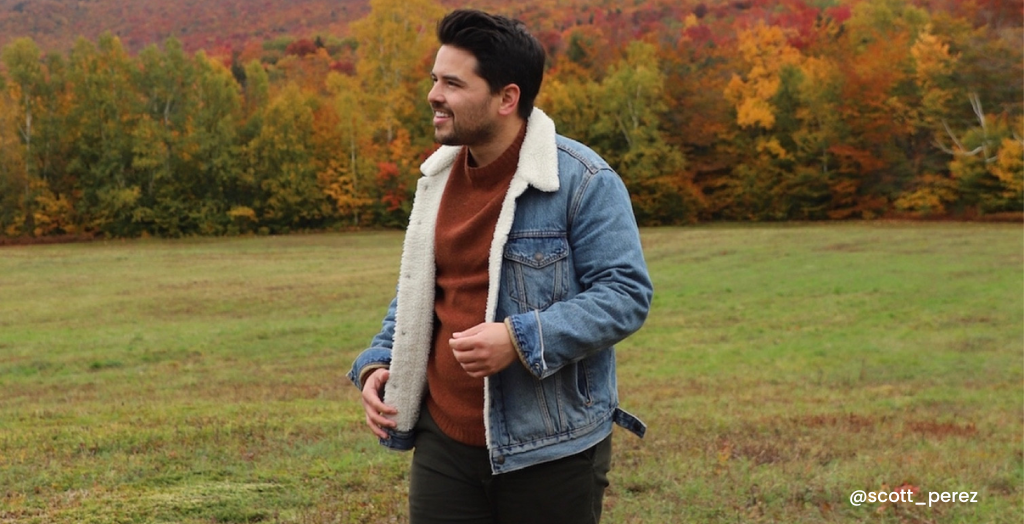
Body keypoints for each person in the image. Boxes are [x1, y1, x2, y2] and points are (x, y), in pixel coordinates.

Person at [347, 9, 653, 524]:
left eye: (452, 83)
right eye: (433, 80)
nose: (433, 95)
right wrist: (381, 360)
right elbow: (424, 289)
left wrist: (519, 338)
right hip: (443, 442)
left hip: (551, 450)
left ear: (507, 98)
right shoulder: (438, 180)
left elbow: (625, 296)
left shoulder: (582, 180)